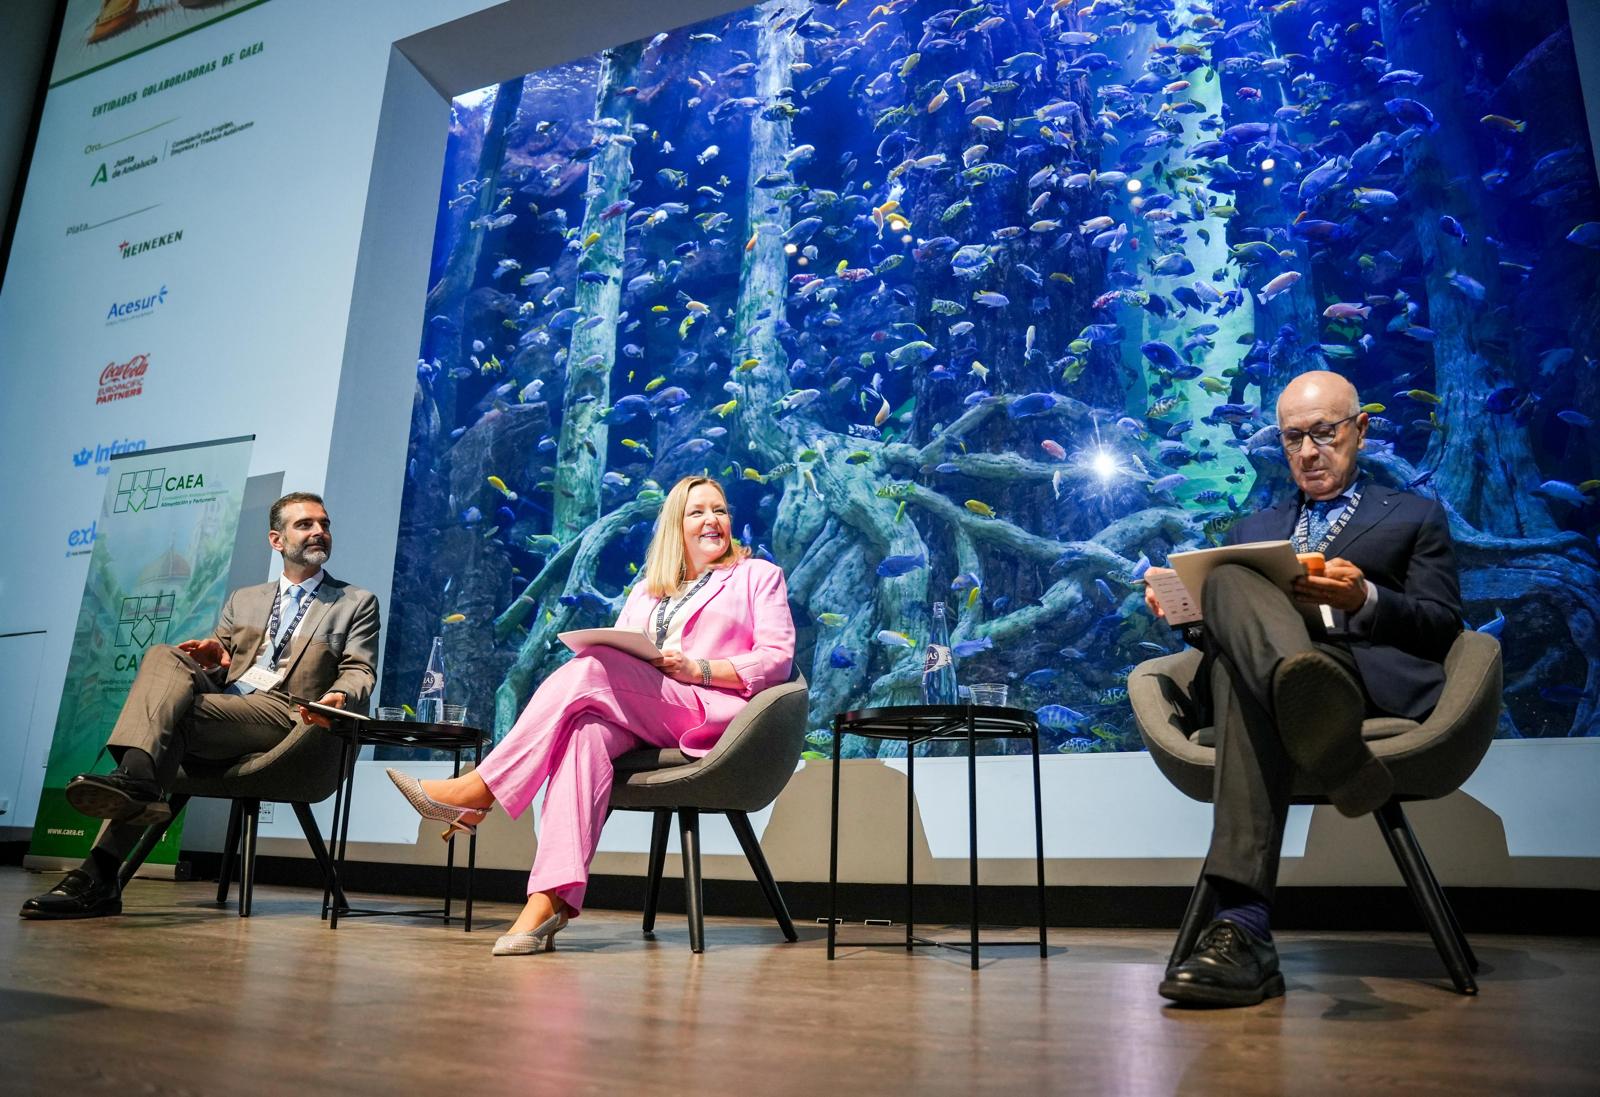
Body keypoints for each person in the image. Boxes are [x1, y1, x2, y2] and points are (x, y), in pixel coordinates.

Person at [1141, 371, 1462, 1007]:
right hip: (1278, 687)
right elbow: (1219, 639)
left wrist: (1365, 597)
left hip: (1357, 679)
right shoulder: (1252, 526)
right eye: (1293, 439)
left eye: (1324, 433)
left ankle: (1243, 928)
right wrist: (1187, 613)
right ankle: (1318, 725)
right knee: (1229, 602)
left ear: (1360, 431)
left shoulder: (1414, 516)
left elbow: (1443, 626)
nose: (1309, 452)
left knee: (1241, 677)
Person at [386, 475, 795, 956]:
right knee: (583, 733)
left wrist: (699, 668)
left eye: (720, 510)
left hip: (709, 713)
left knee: (592, 668)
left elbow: (776, 659)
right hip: (641, 709)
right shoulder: (647, 591)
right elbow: (624, 653)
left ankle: (479, 789)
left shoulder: (757, 576)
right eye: (697, 512)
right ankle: (547, 902)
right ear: (674, 526)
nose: (713, 521)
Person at [20, 492, 381, 920]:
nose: (319, 531)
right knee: (162, 656)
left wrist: (341, 696)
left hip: (287, 716)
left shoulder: (353, 602)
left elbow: (360, 670)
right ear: (276, 539)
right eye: (305, 524)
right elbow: (228, 662)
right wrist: (214, 653)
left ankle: (101, 866)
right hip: (228, 707)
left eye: (324, 524)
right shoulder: (244, 600)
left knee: (171, 722)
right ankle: (135, 793)